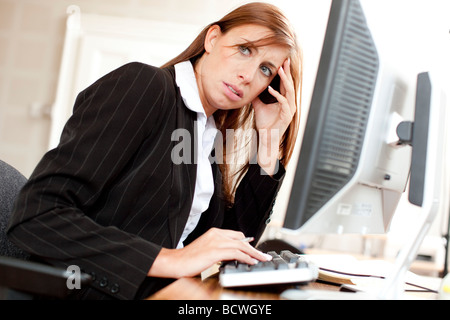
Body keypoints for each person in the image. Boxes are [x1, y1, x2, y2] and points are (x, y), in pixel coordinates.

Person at [7, 2, 302, 300]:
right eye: (245, 49)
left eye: (265, 69)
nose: (249, 75)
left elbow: (234, 243)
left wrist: (267, 140)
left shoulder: (204, 130)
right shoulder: (145, 86)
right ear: (212, 39)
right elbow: (37, 214)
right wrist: (171, 260)